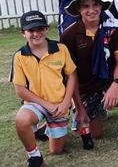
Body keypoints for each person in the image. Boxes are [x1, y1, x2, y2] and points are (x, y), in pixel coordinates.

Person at [61, 0, 118, 148]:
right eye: (86, 6)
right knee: (96, 134)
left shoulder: (114, 28)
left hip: (108, 77)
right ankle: (88, 109)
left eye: (95, 5)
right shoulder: (69, 35)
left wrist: (115, 85)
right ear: (78, 9)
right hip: (85, 85)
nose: (91, 10)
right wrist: (79, 107)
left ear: (101, 6)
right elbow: (71, 75)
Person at [11, 11, 77, 167]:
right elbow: (20, 90)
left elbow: (72, 76)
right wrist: (47, 105)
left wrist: (66, 102)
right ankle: (34, 157)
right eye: (31, 30)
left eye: (40, 28)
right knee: (22, 119)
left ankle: (43, 129)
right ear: (23, 33)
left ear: (47, 29)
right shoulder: (20, 56)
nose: (36, 33)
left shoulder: (60, 49)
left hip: (59, 105)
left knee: (56, 150)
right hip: (36, 103)